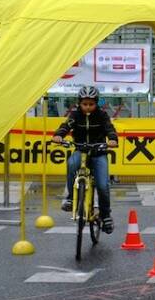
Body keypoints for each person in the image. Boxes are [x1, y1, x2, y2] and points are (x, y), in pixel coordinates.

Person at [51, 85, 119, 233]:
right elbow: (66, 125)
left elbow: (109, 128)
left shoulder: (102, 115)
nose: (88, 107)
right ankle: (70, 198)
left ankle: (105, 215)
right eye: (84, 104)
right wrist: (59, 135)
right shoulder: (75, 115)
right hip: (80, 150)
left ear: (96, 103)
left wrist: (112, 139)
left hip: (98, 152)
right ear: (79, 103)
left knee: (102, 185)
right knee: (71, 164)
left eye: (91, 104)